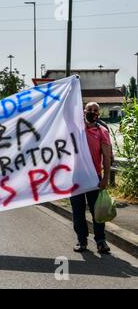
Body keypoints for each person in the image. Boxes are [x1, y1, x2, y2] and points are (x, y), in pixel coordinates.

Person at [70, 102, 112, 254]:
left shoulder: (102, 131)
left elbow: (107, 156)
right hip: (76, 178)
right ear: (84, 111)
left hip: (94, 178)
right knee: (78, 212)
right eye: (90, 110)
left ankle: (101, 241)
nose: (92, 112)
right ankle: (82, 241)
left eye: (95, 110)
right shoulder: (76, 130)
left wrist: (105, 178)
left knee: (98, 212)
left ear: (99, 114)